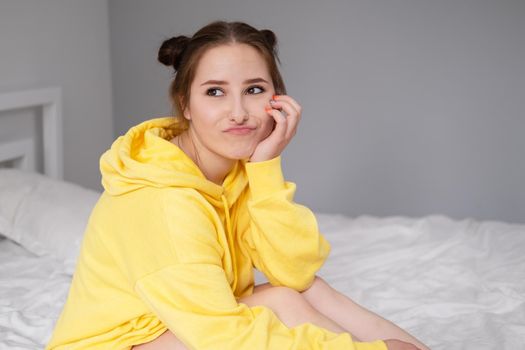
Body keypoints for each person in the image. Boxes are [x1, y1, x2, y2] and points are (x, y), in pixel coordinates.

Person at [46, 20, 429, 350]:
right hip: (125, 343)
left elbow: (294, 273)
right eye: (215, 92)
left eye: (254, 89)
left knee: (291, 294)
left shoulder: (236, 171)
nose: (239, 113)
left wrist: (265, 167)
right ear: (185, 104)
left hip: (175, 329)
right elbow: (223, 337)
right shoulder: (162, 202)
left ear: (277, 100)